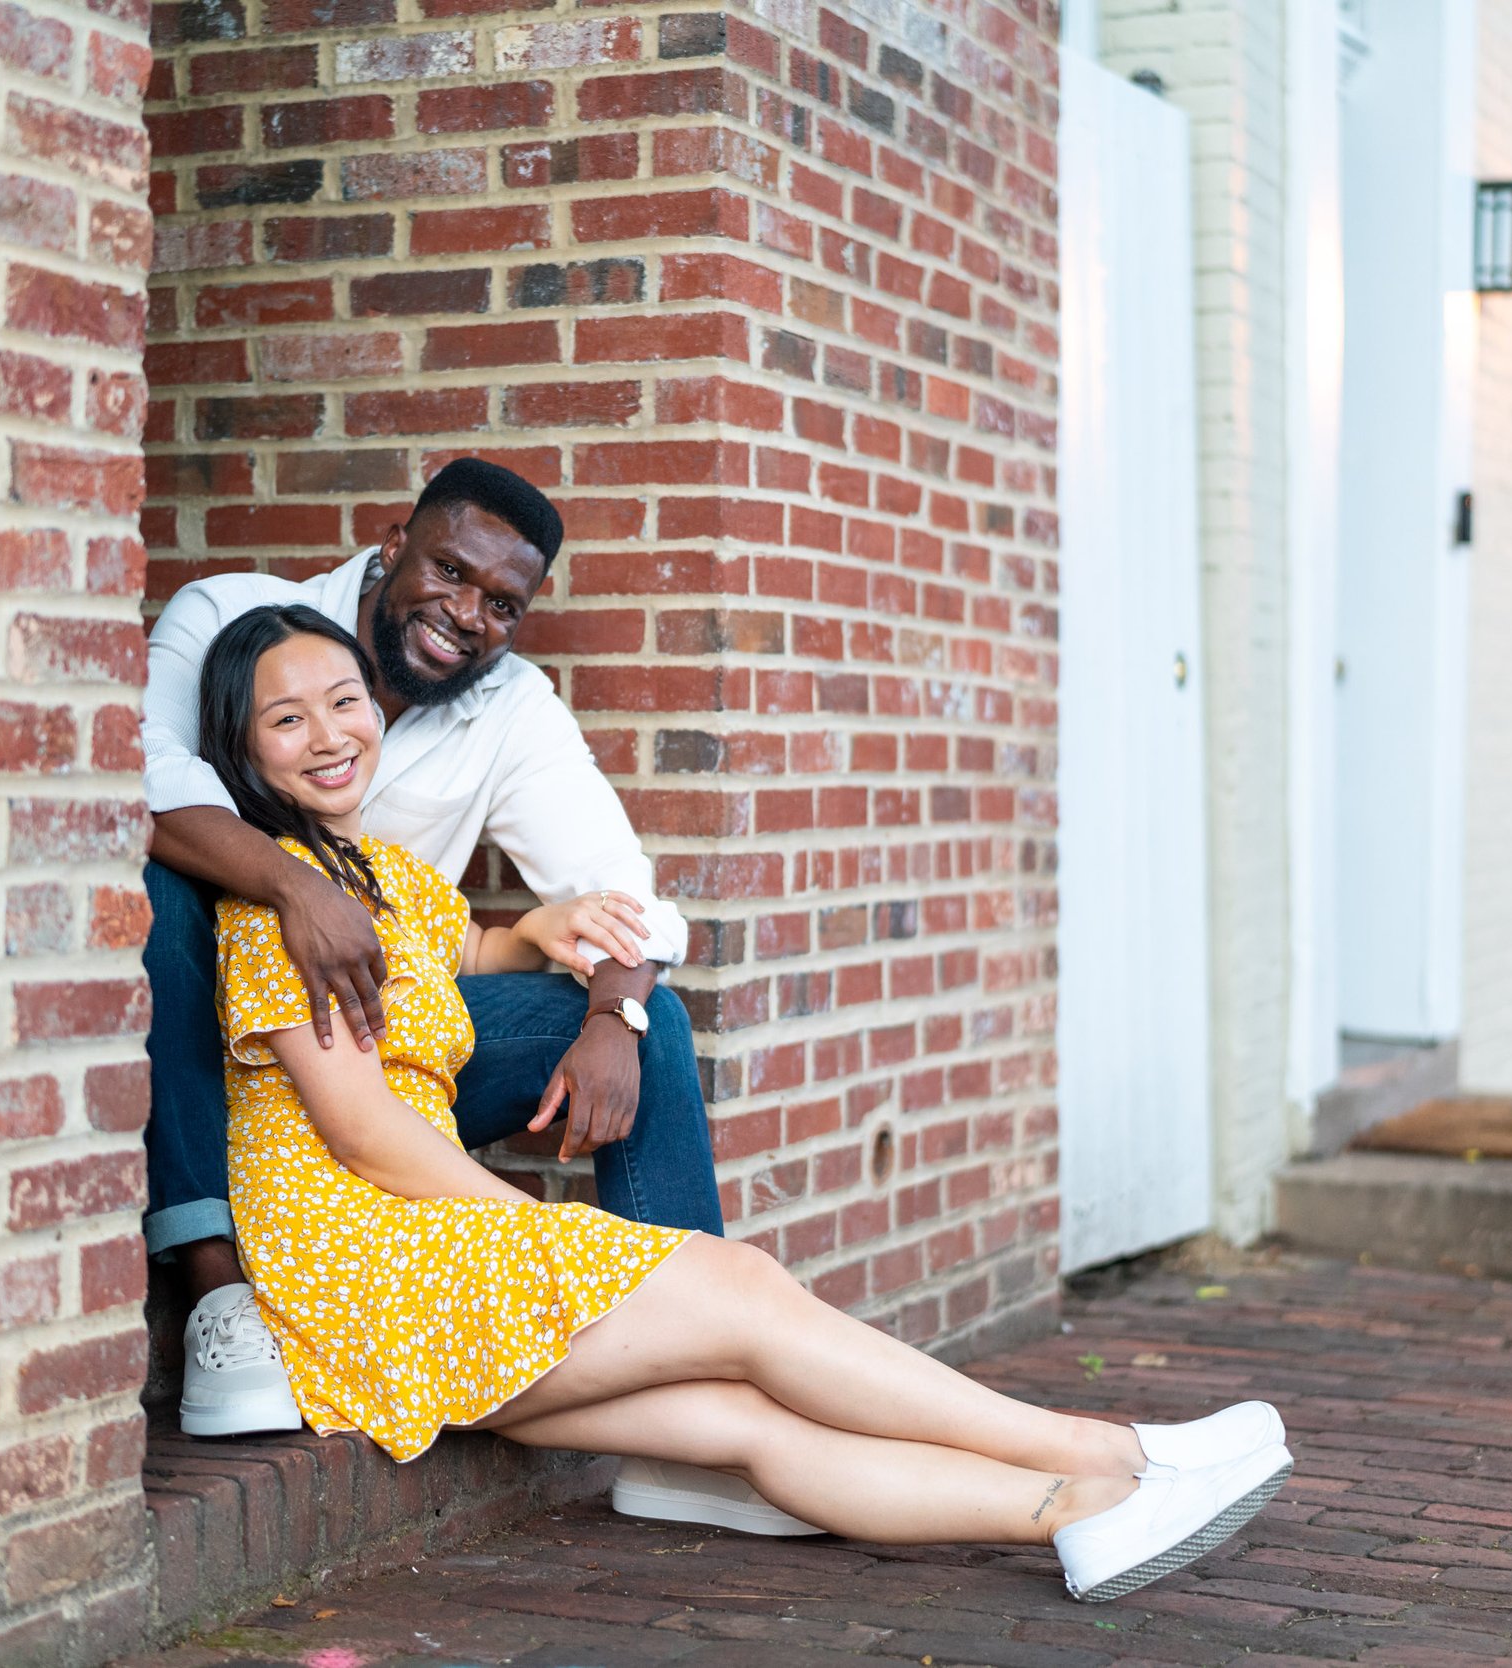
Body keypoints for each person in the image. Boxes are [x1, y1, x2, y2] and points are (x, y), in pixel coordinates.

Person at [195, 603, 1296, 1601]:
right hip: (361, 1259)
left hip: (396, 1274)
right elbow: (361, 1130)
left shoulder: (378, 877)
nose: (331, 733)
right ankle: (1105, 1449)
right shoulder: (272, 917)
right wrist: (524, 1223)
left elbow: (460, 941)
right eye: (286, 720)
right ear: (242, 748)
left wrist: (529, 931)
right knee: (743, 1290)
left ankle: (1082, 1515)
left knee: (746, 1426)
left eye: (345, 701)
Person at [141, 459, 766, 1531]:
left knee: (648, 1015)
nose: (464, 615)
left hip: (389, 1037)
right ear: (394, 545)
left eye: (501, 604)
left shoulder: (511, 708)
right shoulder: (227, 615)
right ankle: (213, 1283)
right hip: (226, 1036)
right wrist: (293, 885)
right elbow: (140, 780)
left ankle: (681, 1411)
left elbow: (623, 898)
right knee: (161, 898)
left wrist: (615, 1017)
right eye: (448, 571)